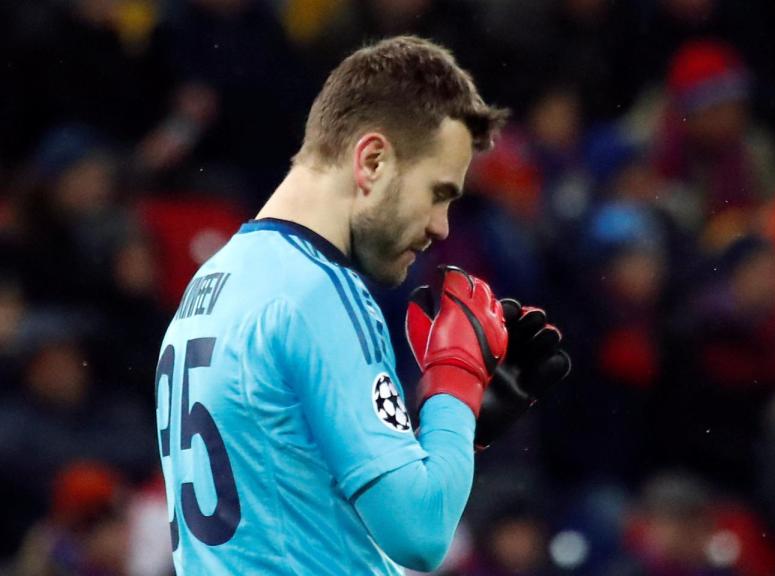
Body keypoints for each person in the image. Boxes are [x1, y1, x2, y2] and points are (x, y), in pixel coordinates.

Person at [155, 36, 569, 574]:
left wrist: (452, 438)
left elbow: (298, 491)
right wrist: (455, 382)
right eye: (438, 192)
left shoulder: (215, 281)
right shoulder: (319, 291)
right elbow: (419, 534)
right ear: (372, 160)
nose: (440, 227)